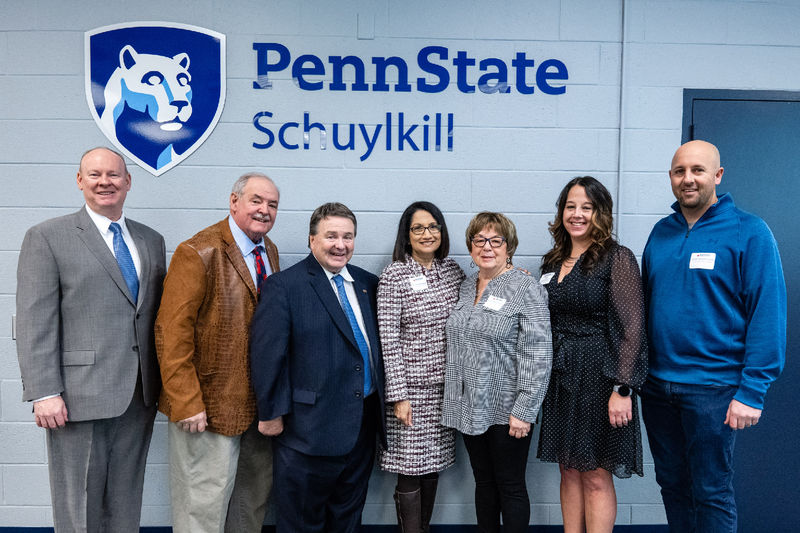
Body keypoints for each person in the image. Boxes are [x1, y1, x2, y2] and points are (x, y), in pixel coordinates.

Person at [15, 147, 166, 532]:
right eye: (95, 175)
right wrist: (44, 391)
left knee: (126, 500)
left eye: (114, 175)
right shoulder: (48, 237)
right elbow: (36, 320)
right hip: (76, 396)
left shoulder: (151, 241)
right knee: (78, 505)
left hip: (138, 394)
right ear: (79, 181)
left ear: (128, 182)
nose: (105, 182)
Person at [640, 140, 786, 532]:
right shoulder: (661, 233)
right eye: (679, 171)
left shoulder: (749, 232)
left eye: (698, 170)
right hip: (658, 389)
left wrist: (752, 391)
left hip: (714, 391)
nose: (687, 179)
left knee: (712, 492)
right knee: (672, 485)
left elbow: (767, 315)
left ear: (717, 176)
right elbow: (646, 305)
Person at [250, 202, 387, 533]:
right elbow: (267, 355)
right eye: (331, 236)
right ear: (312, 240)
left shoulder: (369, 284)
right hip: (307, 432)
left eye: (348, 236)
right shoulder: (285, 286)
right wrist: (270, 414)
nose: (340, 244)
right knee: (301, 522)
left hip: (362, 428)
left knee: (348, 518)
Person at [155, 173, 280, 533]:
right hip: (207, 408)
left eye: (272, 204)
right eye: (256, 200)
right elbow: (171, 333)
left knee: (250, 507)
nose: (264, 210)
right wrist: (186, 400)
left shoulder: (267, 250)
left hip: (256, 407)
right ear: (233, 201)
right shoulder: (197, 251)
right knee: (201, 510)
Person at [536, 177, 648, 533]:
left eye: (587, 207)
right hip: (562, 376)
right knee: (568, 468)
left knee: (596, 474)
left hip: (601, 377)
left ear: (601, 213)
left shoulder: (618, 258)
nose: (577, 214)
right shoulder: (553, 261)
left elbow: (633, 327)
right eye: (571, 206)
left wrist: (623, 388)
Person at [441, 211, 552, 533]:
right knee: (484, 482)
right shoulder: (465, 286)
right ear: (471, 246)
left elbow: (538, 352)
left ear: (509, 247)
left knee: (510, 485)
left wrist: (525, 408)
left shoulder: (525, 287)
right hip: (469, 408)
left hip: (507, 410)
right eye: (479, 240)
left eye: (495, 240)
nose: (487, 247)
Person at [377, 201, 465, 532]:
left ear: (442, 231)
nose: (427, 234)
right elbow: (388, 338)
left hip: (445, 391)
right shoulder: (395, 274)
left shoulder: (453, 272)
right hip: (410, 392)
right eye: (418, 228)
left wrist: (512, 272)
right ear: (407, 235)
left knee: (433, 465)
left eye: (433, 227)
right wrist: (398, 396)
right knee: (409, 467)